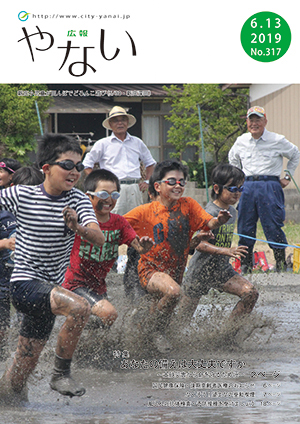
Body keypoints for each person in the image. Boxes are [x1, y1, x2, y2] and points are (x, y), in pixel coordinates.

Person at [0, 134, 105, 405]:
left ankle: (10, 405)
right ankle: (61, 374)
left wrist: (77, 227)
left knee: (23, 368)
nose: (74, 172)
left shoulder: (79, 201)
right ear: (46, 167)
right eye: (67, 165)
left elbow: (98, 237)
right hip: (24, 284)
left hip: (50, 293)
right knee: (81, 308)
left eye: (79, 167)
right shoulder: (21, 194)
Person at [123, 160, 232, 352]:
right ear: (157, 186)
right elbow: (119, 225)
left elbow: (209, 222)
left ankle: (141, 338)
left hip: (175, 271)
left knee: (163, 304)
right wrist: (135, 243)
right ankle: (155, 332)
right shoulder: (145, 211)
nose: (178, 186)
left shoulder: (188, 206)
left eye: (182, 182)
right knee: (173, 292)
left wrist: (219, 221)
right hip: (149, 270)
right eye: (172, 181)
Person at [62, 169, 154, 328]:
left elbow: (137, 246)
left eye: (114, 195)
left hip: (99, 285)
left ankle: (83, 347)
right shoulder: (79, 220)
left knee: (103, 324)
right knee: (109, 313)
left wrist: (143, 247)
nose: (109, 200)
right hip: (75, 283)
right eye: (103, 195)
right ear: (87, 196)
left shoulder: (119, 222)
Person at [83, 105, 156, 299]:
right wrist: (98, 185)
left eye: (122, 119)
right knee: (109, 225)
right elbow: (87, 165)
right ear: (111, 124)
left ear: (128, 121)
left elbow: (150, 163)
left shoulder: (137, 142)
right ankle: (110, 263)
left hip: (133, 187)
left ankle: (135, 262)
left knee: (137, 227)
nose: (120, 122)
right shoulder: (103, 143)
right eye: (115, 120)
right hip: (111, 190)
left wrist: (147, 182)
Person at [180, 163, 259, 328]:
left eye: (240, 189)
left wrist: (226, 253)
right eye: (232, 189)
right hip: (200, 270)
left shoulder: (233, 211)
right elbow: (199, 244)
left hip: (221, 269)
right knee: (182, 318)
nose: (237, 193)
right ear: (217, 188)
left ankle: (227, 337)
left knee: (250, 293)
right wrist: (227, 250)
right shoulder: (209, 213)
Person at [229, 106, 300, 273]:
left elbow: (295, 154)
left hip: (270, 185)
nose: (254, 123)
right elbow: (233, 158)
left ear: (265, 121)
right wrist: (238, 179)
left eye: (258, 119)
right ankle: (246, 265)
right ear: (247, 122)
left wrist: (287, 177)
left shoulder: (277, 139)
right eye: (251, 120)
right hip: (247, 186)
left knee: (273, 224)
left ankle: (281, 264)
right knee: (245, 226)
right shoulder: (241, 141)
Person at [0, 166, 44, 361]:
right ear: (11, 189)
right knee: (2, 329)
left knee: (26, 329)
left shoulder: (43, 216)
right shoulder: (2, 213)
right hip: (2, 282)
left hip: (29, 283)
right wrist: (4, 243)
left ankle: (18, 367)